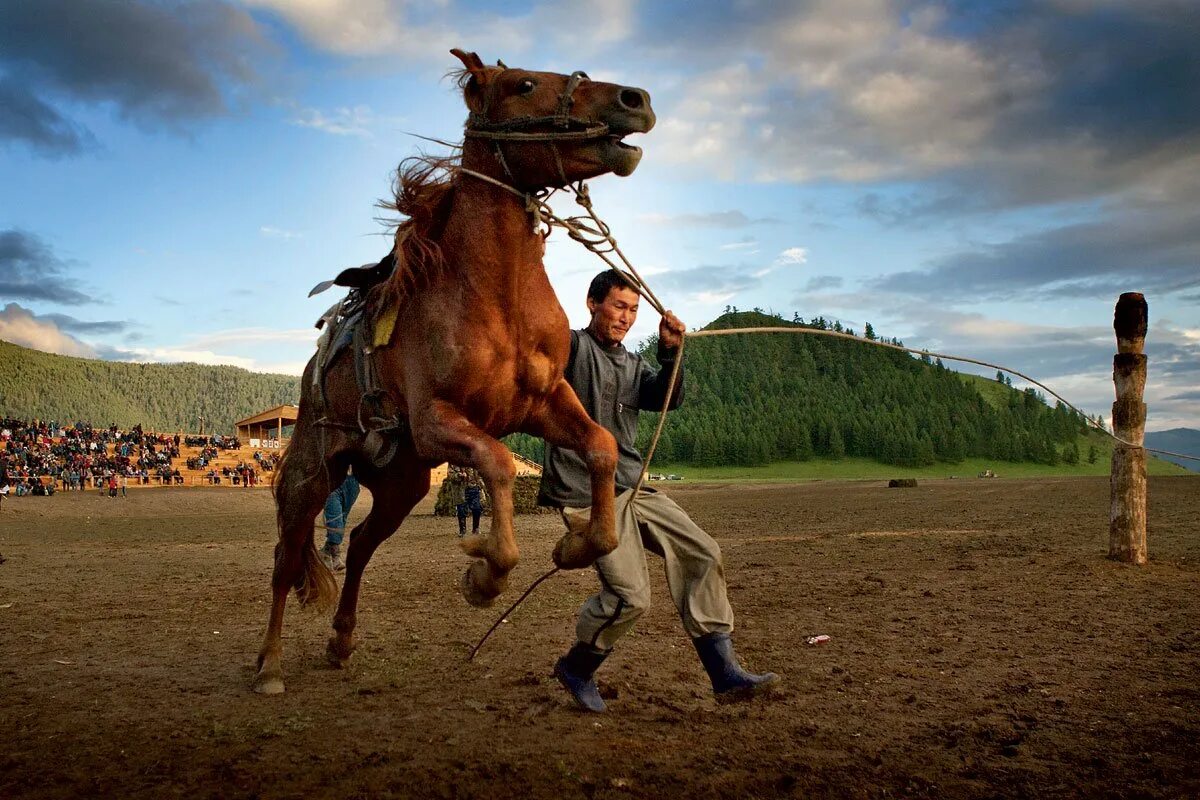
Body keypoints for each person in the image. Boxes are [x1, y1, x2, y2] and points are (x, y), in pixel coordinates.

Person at [539, 269, 779, 713]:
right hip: (587, 492)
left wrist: (670, 352)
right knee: (631, 597)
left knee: (702, 552)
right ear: (592, 303)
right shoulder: (570, 349)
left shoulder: (633, 364)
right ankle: (577, 667)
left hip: (634, 487)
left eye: (633, 309)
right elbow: (541, 357)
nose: (625, 317)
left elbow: (665, 397)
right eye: (617, 305)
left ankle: (724, 673)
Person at [320, 468, 360, 572]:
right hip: (333, 482)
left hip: (352, 484)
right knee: (335, 519)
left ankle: (325, 553)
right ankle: (336, 556)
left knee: (342, 520)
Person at [451, 466, 486, 538]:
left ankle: (476, 529)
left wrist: (481, 485)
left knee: (477, 509)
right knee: (461, 510)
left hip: (474, 488)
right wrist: (459, 475)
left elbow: (480, 474)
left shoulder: (474, 459)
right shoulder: (454, 460)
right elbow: (450, 476)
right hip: (461, 490)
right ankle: (462, 531)